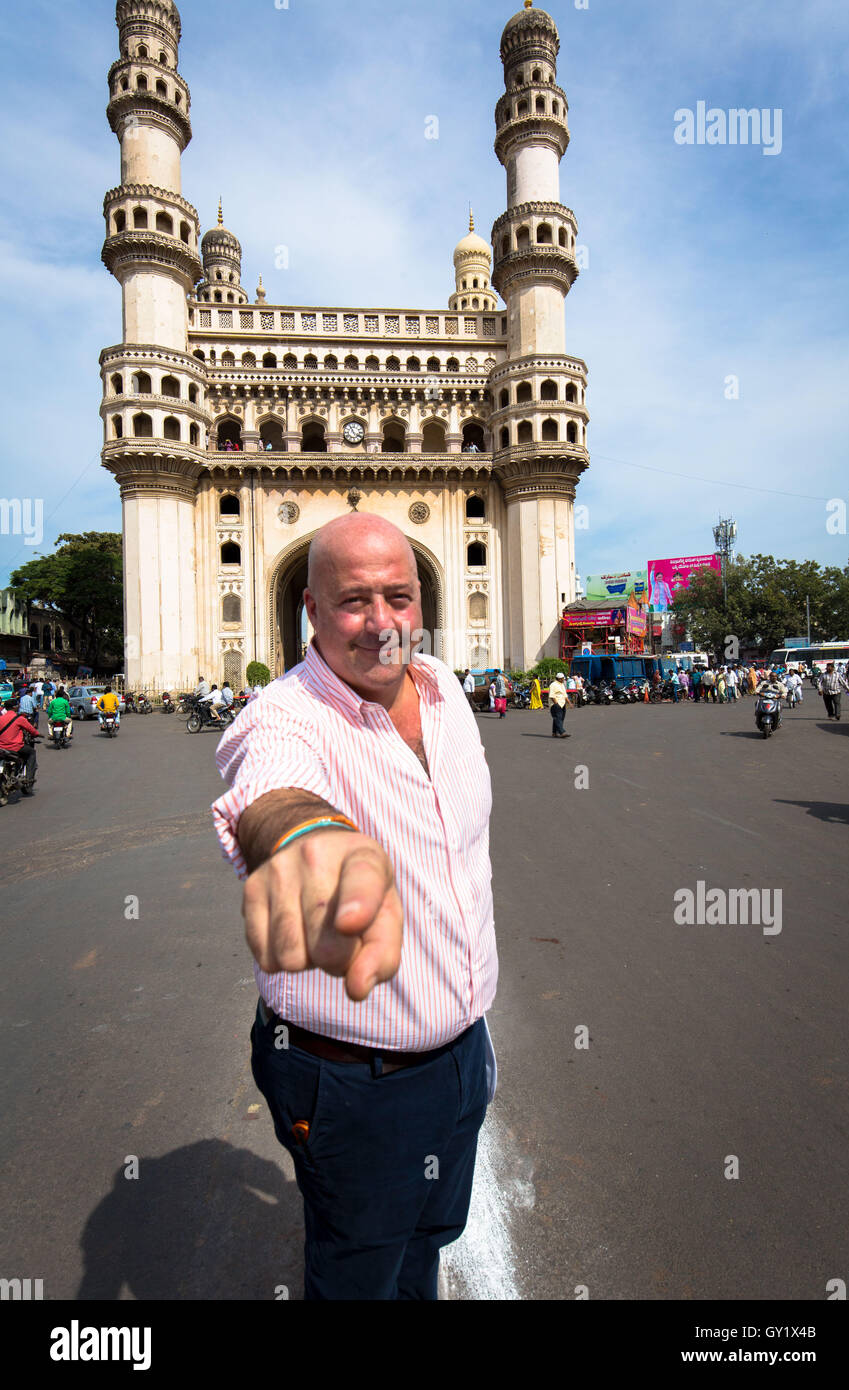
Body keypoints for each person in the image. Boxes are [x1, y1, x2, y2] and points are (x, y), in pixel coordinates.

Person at [212, 513, 496, 1301]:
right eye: (354, 602)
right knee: (358, 1274)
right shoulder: (286, 715)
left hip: (463, 1056)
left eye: (399, 598)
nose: (381, 625)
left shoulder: (445, 694)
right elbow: (269, 791)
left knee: (425, 1246)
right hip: (355, 1081)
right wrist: (310, 842)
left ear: (422, 601)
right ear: (310, 610)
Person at [0, 698, 39, 788]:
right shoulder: (19, 719)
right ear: (15, 707)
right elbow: (32, 730)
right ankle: (29, 778)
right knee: (31, 752)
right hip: (15, 747)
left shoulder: (1, 718)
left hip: (1, 748)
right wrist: (37, 734)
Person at [547, 670, 572, 737]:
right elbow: (552, 696)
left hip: (562, 704)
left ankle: (554, 733)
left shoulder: (562, 685)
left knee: (559, 718)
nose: (564, 679)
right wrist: (556, 704)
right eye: (563, 678)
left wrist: (569, 702)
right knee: (558, 718)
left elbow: (565, 695)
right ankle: (562, 732)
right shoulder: (553, 685)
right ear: (559, 678)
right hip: (555, 704)